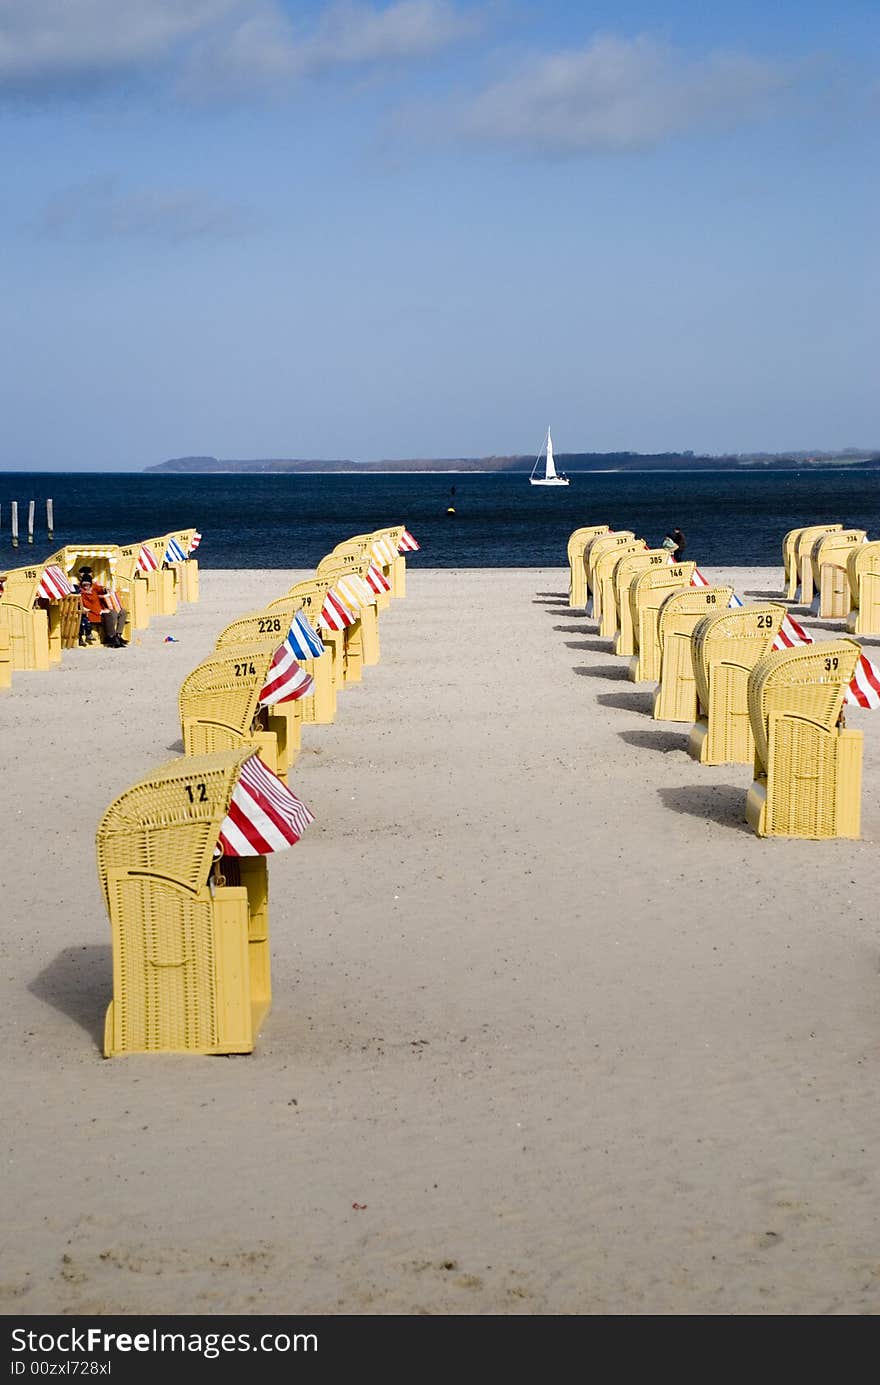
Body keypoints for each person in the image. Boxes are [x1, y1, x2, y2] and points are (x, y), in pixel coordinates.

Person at [78, 574, 129, 647]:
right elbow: (87, 607)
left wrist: (104, 589)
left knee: (120, 612)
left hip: (99, 610)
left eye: (87, 584)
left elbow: (100, 589)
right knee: (109, 615)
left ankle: (117, 635)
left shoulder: (94, 588)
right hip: (92, 613)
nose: (86, 586)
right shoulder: (82, 593)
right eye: (84, 585)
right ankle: (111, 637)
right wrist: (100, 611)